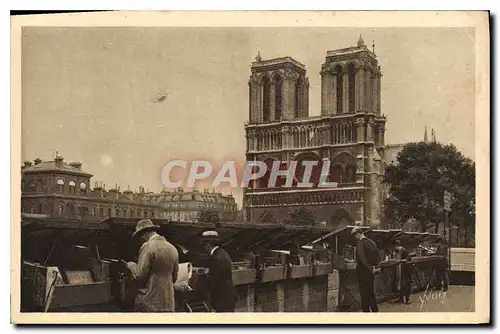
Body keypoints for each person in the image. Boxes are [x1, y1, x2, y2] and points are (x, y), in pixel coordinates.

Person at [124, 219, 179, 312]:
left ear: (144, 234)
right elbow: (174, 277)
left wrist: (131, 265)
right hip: (168, 301)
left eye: (140, 236)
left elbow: (140, 276)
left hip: (149, 302)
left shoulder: (148, 246)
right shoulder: (172, 248)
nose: (141, 239)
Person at [201, 230, 237, 312]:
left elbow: (215, 281)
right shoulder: (222, 253)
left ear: (208, 244)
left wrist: (205, 276)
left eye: (204, 244)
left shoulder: (217, 258)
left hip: (222, 301)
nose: (204, 247)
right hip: (227, 298)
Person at [351, 227, 381, 312]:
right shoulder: (371, 242)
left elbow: (362, 259)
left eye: (355, 236)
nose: (355, 238)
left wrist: (369, 268)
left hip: (364, 272)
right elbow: (377, 258)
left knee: (364, 295)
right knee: (370, 293)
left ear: (357, 234)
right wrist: (375, 268)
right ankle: (375, 311)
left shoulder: (360, 243)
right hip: (371, 272)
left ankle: (366, 314)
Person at [394, 240, 412, 304]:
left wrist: (400, 261)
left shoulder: (404, 251)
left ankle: (407, 299)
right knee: (401, 284)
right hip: (400, 269)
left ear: (397, 246)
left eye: (395, 247)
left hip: (405, 270)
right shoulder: (398, 251)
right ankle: (401, 298)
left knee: (406, 285)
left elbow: (408, 259)